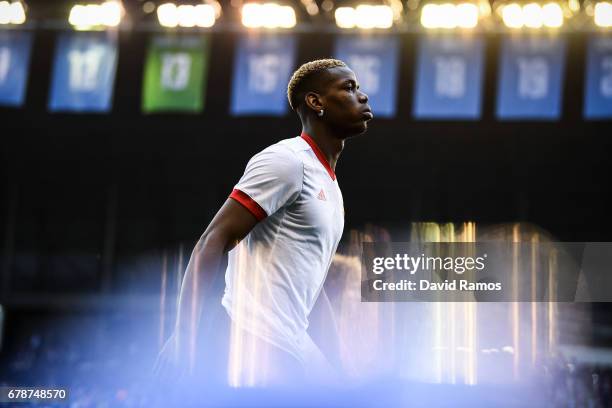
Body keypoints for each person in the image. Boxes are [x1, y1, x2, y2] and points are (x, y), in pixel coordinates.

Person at [154, 59, 372, 386]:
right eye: (349, 88)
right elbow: (213, 239)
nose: (363, 96)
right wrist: (184, 335)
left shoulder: (331, 188)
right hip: (251, 340)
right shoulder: (286, 160)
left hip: (289, 345)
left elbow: (314, 288)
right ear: (316, 103)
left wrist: (340, 365)